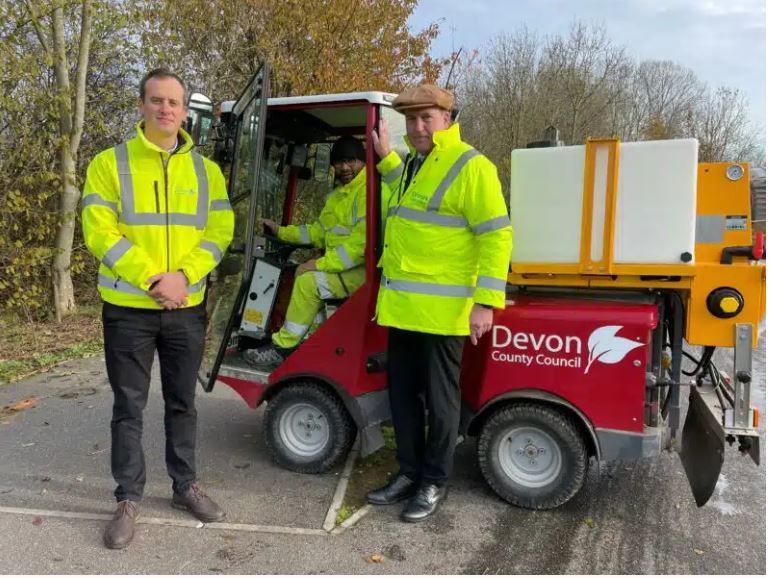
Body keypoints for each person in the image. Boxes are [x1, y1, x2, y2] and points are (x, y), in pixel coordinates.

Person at [81, 68, 234, 548]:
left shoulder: (206, 171)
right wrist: (152, 278)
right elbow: (99, 231)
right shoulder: (109, 164)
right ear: (141, 106)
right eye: (156, 100)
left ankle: (184, 485)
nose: (166, 109)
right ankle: (128, 498)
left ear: (186, 110)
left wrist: (183, 278)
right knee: (128, 405)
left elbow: (220, 232)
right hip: (129, 306)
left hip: (185, 307)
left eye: (173, 102)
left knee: (182, 401)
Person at [366, 85, 513, 522]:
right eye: (410, 120)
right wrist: (387, 158)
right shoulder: (414, 164)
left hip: (444, 315)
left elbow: (496, 235)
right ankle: (408, 472)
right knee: (404, 398)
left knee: (441, 402)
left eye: (426, 118)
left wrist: (486, 302)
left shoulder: (472, 166)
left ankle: (433, 482)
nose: (417, 127)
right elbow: (410, 204)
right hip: (404, 309)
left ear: (448, 118)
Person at [244, 136, 378, 368]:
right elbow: (317, 232)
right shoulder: (340, 195)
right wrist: (281, 232)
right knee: (300, 273)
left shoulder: (369, 191)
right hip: (344, 268)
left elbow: (358, 248)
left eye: (351, 161)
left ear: (363, 162)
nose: (344, 167)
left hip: (361, 273)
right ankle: (311, 344)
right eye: (339, 162)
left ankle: (283, 348)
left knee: (308, 282)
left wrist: (318, 264)